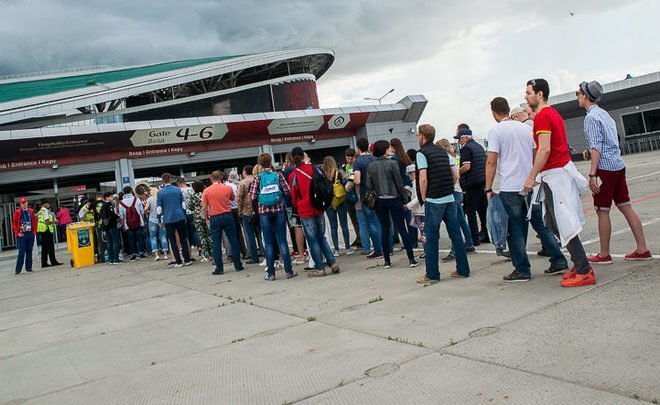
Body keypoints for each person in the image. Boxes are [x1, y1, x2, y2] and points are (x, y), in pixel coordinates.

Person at [523, 78, 594, 287]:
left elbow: (544, 149)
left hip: (556, 176)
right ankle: (579, 264)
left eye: (528, 93)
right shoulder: (550, 114)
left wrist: (531, 176)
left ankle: (584, 269)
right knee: (553, 222)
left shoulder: (543, 116)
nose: (525, 96)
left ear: (540, 94)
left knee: (562, 222)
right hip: (554, 175)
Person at [577, 80, 652, 263]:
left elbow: (596, 148)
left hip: (605, 169)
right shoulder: (604, 114)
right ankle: (642, 248)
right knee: (625, 205)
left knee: (602, 210)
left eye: (578, 93)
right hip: (618, 164)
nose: (577, 97)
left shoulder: (591, 118)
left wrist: (592, 174)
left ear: (585, 96)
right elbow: (605, 142)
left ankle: (604, 254)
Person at [484, 97, 535, 282]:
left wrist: (488, 187)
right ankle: (529, 263)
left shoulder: (496, 131)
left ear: (494, 112)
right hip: (528, 183)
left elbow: (491, 161)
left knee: (513, 229)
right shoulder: (526, 128)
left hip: (509, 186)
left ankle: (522, 268)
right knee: (524, 225)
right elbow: (536, 152)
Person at [415, 124, 470, 283]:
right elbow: (455, 175)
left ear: (422, 136)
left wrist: (424, 197)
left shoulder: (421, 153)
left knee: (431, 237)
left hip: (434, 199)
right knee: (455, 234)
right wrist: (449, 187)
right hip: (449, 198)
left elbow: (423, 178)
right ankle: (463, 269)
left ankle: (432, 274)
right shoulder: (442, 152)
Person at [367, 140, 418, 269]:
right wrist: (404, 198)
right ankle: (411, 259)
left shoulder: (371, 166)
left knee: (385, 229)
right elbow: (399, 183)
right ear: (384, 150)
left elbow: (369, 185)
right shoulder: (393, 164)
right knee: (401, 228)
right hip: (394, 198)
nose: (390, 149)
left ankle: (387, 260)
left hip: (380, 200)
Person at [289, 147, 340, 277]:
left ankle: (319, 267)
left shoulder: (294, 175)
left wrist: (297, 206)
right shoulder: (315, 169)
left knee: (312, 239)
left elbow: (294, 197)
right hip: (319, 207)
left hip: (305, 210)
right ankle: (332, 262)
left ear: (292, 159)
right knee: (321, 236)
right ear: (303, 156)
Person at [249, 153, 297, 280]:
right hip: (279, 210)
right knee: (282, 241)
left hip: (264, 212)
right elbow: (287, 191)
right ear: (270, 162)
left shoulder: (257, 178)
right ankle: (289, 271)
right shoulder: (278, 175)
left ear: (259, 164)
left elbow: (252, 196)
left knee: (269, 243)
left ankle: (271, 273)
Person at [436, 139, 476, 261]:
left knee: (453, 222)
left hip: (453, 191)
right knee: (460, 220)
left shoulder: (446, 158)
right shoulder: (454, 156)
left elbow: (455, 175)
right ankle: (469, 243)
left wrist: (450, 185)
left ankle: (455, 250)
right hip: (458, 190)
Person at [202, 171, 244, 275]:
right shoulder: (228, 188)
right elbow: (232, 198)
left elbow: (204, 207)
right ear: (221, 178)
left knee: (216, 243)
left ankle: (219, 268)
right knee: (233, 240)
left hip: (215, 216)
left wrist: (207, 217)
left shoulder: (206, 191)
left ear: (211, 179)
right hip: (227, 214)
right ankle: (238, 265)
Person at [455, 126, 489, 246]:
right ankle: (485, 234)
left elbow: (467, 166)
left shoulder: (466, 149)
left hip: (472, 182)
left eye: (459, 139)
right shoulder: (479, 147)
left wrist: (457, 171)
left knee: (470, 212)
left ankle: (474, 238)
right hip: (482, 181)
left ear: (465, 138)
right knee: (482, 210)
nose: (459, 141)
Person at [353, 138, 383, 259]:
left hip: (367, 195)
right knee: (381, 221)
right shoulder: (375, 158)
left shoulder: (358, 162)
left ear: (358, 148)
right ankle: (386, 247)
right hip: (380, 193)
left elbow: (357, 180)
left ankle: (378, 249)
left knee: (371, 223)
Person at [157, 173, 192, 268]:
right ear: (171, 179)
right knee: (183, 238)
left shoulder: (160, 192)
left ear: (163, 180)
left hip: (168, 219)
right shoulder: (177, 190)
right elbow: (183, 204)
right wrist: (184, 215)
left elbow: (159, 208)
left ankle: (178, 261)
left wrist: (159, 219)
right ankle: (187, 259)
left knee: (172, 240)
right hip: (180, 216)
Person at [389, 137, 417, 249]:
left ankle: (408, 242)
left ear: (393, 147)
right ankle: (413, 240)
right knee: (411, 217)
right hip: (410, 188)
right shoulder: (406, 157)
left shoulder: (394, 160)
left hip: (400, 191)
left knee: (402, 218)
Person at [323, 156, 353, 256]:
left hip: (329, 203)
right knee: (344, 224)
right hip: (340, 200)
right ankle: (348, 248)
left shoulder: (323, 175)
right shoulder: (338, 173)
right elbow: (346, 182)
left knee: (333, 226)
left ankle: (336, 249)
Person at [282, 153, 307, 263]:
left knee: (295, 227)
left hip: (290, 203)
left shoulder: (286, 172)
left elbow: (284, 188)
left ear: (288, 160)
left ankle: (298, 249)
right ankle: (306, 248)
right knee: (305, 226)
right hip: (304, 201)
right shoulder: (302, 168)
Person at [237, 165, 260, 264]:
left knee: (250, 235)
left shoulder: (242, 183)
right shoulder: (257, 179)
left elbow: (239, 198)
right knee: (260, 233)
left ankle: (254, 256)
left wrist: (239, 210)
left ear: (244, 172)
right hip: (257, 209)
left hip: (246, 211)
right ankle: (265, 252)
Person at [224, 170, 248, 260]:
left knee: (228, 233)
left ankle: (231, 254)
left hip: (227, 210)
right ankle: (244, 251)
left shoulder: (224, 187)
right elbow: (237, 198)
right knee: (239, 232)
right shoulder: (234, 186)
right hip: (235, 210)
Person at [118, 186, 146, 261]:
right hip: (138, 222)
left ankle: (133, 255)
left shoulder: (121, 203)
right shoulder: (137, 199)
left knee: (131, 239)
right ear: (131, 191)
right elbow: (142, 212)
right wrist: (142, 220)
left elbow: (121, 216)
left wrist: (123, 224)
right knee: (140, 238)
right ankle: (141, 254)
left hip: (128, 224)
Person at [188, 180, 213, 262]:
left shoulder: (193, 196)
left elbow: (189, 206)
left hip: (198, 218)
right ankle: (213, 253)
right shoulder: (206, 194)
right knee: (209, 234)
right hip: (207, 216)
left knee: (202, 236)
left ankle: (206, 255)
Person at [342, 148, 361, 248]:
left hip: (355, 194)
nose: (349, 160)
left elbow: (351, 181)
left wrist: (348, 179)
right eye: (347, 158)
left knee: (359, 218)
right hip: (348, 197)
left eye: (351, 158)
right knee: (353, 219)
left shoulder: (356, 166)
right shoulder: (344, 167)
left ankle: (361, 237)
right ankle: (358, 237)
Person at [13, 197, 37, 275]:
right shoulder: (17, 212)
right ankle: (18, 269)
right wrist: (17, 233)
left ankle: (29, 267)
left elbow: (34, 221)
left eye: (25, 203)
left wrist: (34, 232)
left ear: (27, 203)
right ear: (20, 204)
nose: (24, 204)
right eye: (22, 203)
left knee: (29, 251)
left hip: (30, 233)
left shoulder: (31, 211)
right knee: (22, 251)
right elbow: (14, 224)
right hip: (22, 234)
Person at [177, 177, 200, 252]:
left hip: (183, 213)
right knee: (195, 230)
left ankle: (188, 247)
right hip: (191, 212)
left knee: (185, 231)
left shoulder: (178, 191)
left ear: (179, 184)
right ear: (184, 182)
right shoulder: (190, 189)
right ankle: (199, 246)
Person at [37, 200, 62, 268]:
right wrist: (54, 221)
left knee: (44, 247)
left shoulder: (40, 211)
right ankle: (53, 261)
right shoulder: (45, 211)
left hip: (42, 230)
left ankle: (44, 263)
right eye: (47, 203)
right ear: (44, 204)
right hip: (47, 230)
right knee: (50, 247)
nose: (48, 205)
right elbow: (47, 222)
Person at [145, 187, 169, 261]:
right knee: (163, 237)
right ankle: (165, 254)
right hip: (161, 220)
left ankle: (156, 255)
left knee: (153, 238)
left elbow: (145, 209)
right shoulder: (161, 198)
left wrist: (148, 213)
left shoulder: (150, 199)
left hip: (152, 220)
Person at [100, 192, 121, 264]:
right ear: (107, 197)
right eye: (111, 196)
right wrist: (118, 217)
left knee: (109, 242)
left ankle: (111, 258)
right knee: (115, 241)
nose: (112, 198)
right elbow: (112, 214)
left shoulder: (103, 205)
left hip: (106, 226)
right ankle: (116, 258)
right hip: (112, 225)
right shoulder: (109, 204)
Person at [93, 192, 107, 263]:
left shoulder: (94, 204)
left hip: (98, 224)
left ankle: (103, 257)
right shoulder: (105, 203)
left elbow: (83, 212)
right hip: (106, 224)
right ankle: (109, 255)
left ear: (96, 197)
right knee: (107, 240)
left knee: (100, 241)